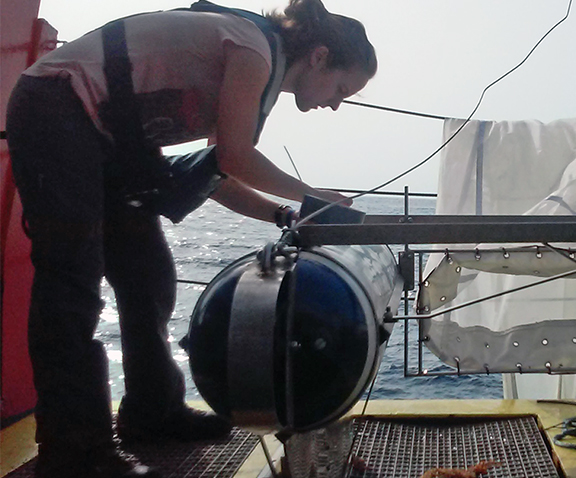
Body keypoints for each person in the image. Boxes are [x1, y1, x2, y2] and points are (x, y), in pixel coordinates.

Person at [4, 0, 376, 476]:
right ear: (320, 57)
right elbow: (234, 157)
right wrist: (312, 197)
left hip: (107, 136)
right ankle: (73, 454)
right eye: (342, 89)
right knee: (70, 283)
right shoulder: (253, 51)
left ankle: (151, 412)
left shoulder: (257, 72)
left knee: (147, 275)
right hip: (55, 105)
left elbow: (214, 175)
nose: (336, 103)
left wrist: (283, 212)